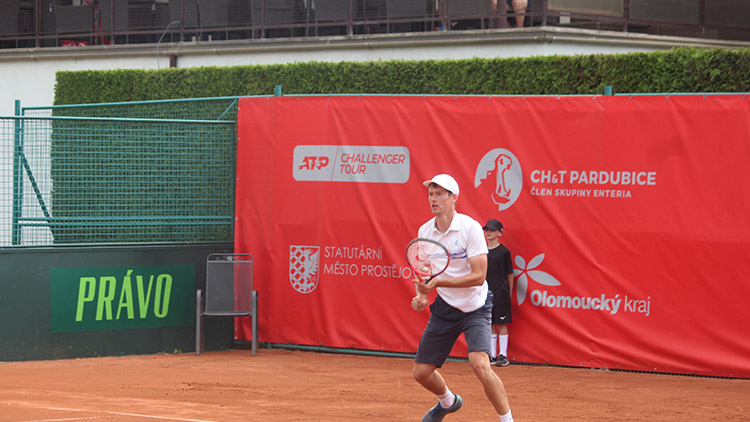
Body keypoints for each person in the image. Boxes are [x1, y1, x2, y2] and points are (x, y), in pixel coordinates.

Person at [411, 174, 514, 422]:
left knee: (480, 365)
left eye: (439, 194)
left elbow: (479, 276)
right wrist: (421, 295)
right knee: (421, 373)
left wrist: (439, 282)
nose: (433, 199)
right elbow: (426, 272)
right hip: (445, 307)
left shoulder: (469, 228)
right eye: (430, 194)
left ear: (454, 198)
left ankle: (507, 420)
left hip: (476, 306)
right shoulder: (425, 231)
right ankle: (447, 401)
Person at [483, 218, 514, 367]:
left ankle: (503, 355)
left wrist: (509, 293)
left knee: (501, 324)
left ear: (500, 233)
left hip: (501, 294)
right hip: (485, 294)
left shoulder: (504, 252)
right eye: (487, 230)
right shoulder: (482, 252)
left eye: (492, 230)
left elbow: (510, 275)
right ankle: (492, 355)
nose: (488, 233)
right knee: (490, 324)